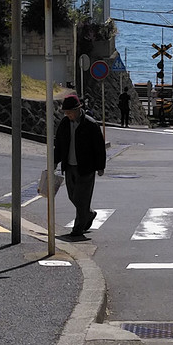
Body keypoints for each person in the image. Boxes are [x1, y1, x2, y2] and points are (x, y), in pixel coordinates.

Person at [54, 93, 106, 240]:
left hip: (86, 167)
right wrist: (55, 161)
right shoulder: (64, 124)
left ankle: (78, 229)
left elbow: (99, 147)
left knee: (81, 198)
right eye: (66, 113)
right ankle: (88, 214)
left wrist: (100, 166)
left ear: (78, 109)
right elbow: (59, 145)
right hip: (69, 166)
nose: (68, 115)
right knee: (72, 196)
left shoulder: (90, 124)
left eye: (69, 112)